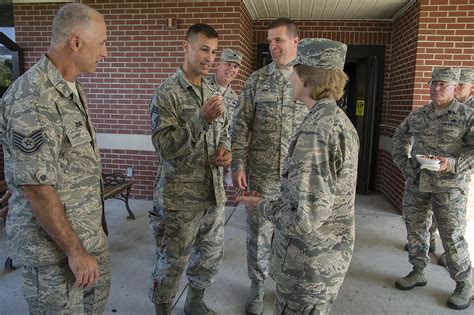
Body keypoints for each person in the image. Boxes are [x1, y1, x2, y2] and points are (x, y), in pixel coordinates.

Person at [0, 3, 110, 313]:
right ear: (75, 42)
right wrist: (76, 253)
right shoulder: (33, 96)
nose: (106, 52)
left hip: (85, 235)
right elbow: (36, 188)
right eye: (102, 42)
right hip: (55, 253)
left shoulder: (70, 87)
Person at [239, 38, 359, 315]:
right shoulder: (338, 120)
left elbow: (303, 219)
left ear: (307, 79)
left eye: (295, 73)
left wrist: (262, 205)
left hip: (307, 265)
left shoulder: (315, 132)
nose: (290, 78)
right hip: (326, 257)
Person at [148, 23, 231, 315]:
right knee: (172, 261)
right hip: (179, 199)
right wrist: (201, 119)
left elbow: (225, 132)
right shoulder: (166, 93)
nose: (209, 58)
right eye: (204, 49)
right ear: (187, 47)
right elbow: (165, 147)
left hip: (212, 194)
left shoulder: (213, 91)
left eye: (214, 52)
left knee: (207, 257)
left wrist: (226, 152)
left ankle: (194, 301)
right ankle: (162, 308)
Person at [230, 18, 307, 315]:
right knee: (259, 234)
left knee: (294, 234)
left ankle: (287, 285)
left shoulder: (309, 79)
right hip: (260, 175)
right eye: (270, 42)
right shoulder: (257, 80)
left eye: (279, 41)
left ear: (295, 41)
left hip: (298, 179)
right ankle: (258, 286)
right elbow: (240, 126)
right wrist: (237, 163)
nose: (273, 47)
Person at [392, 67, 474, 310]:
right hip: (418, 183)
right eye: (434, 83)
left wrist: (453, 164)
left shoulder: (466, 116)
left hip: (449, 188)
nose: (436, 88)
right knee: (416, 229)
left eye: (443, 84)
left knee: (451, 236)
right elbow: (400, 136)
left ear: (455, 88)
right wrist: (405, 165)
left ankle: (464, 284)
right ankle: (418, 271)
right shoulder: (419, 115)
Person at [437, 67, 474, 267]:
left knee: (453, 225)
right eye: (455, 84)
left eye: (461, 85)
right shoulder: (442, 107)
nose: (457, 89)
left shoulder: (469, 112)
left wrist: (452, 164)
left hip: (457, 175)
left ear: (471, 87)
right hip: (433, 175)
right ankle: (431, 245)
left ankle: (462, 274)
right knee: (434, 216)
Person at [206, 48, 242, 187]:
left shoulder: (234, 98)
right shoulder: (202, 86)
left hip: (220, 162)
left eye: (235, 66)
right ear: (219, 64)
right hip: (198, 161)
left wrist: (230, 152)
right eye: (228, 64)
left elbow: (232, 130)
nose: (231, 69)